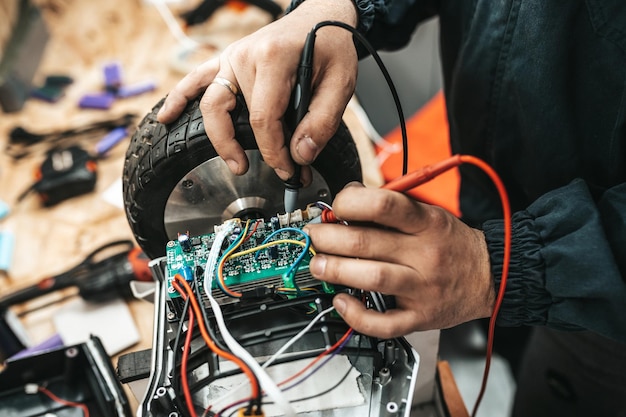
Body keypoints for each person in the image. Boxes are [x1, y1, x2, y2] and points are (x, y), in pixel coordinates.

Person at [157, 0, 626, 415]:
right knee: (509, 344)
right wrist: (337, 7)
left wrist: (508, 267)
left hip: (598, 301)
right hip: (490, 207)